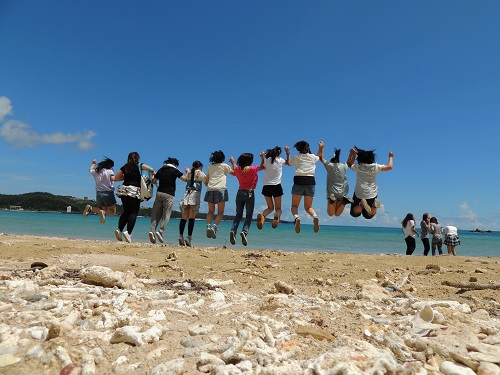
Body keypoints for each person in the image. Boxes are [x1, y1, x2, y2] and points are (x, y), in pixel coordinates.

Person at [114, 152, 155, 243]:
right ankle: (128, 233)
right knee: (133, 212)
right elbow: (151, 169)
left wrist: (125, 178)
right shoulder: (140, 165)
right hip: (134, 191)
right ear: (138, 158)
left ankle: (119, 230)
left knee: (126, 211)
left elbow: (116, 178)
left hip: (124, 190)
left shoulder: (125, 167)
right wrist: (153, 174)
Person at [347, 147, 394, 219]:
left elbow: (350, 164)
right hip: (371, 194)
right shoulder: (375, 167)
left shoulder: (358, 167)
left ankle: (361, 205)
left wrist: (352, 154)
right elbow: (390, 167)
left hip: (359, 193)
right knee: (368, 216)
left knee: (354, 213)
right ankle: (374, 206)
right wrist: (391, 157)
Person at [148, 157, 187, 245]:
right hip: (169, 194)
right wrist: (187, 172)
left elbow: (153, 181)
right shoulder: (175, 170)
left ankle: (153, 231)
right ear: (175, 164)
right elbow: (185, 179)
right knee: (167, 214)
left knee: (155, 213)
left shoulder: (161, 169)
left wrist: (154, 175)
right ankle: (161, 231)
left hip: (159, 193)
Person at [228, 152, 264, 246]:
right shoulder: (253, 169)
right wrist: (262, 158)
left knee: (238, 215)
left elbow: (235, 169)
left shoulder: (238, 169)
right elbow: (262, 167)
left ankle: (233, 230)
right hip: (250, 193)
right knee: (248, 216)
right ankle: (244, 232)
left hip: (239, 192)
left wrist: (232, 162)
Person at [285, 140, 320, 233]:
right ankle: (315, 217)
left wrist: (287, 153)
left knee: (294, 206)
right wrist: (321, 147)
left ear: (298, 149)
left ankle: (296, 218)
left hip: (299, 181)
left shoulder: (297, 157)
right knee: (308, 207)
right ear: (308, 148)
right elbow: (319, 156)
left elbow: (288, 163)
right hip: (310, 181)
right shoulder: (313, 157)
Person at [317, 141, 353, 217]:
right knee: (337, 214)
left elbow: (321, 158)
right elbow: (349, 162)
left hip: (332, 192)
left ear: (331, 161)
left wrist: (322, 147)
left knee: (330, 214)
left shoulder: (329, 166)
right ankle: (343, 202)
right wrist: (351, 153)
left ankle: (332, 201)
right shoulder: (343, 166)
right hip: (342, 193)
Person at [204, 150, 233, 239]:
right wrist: (233, 163)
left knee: (210, 211)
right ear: (223, 158)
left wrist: (209, 186)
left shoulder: (209, 167)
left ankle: (208, 226)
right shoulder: (225, 166)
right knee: (220, 212)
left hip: (210, 189)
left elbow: (206, 180)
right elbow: (235, 173)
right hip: (220, 189)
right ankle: (214, 227)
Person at [255, 146, 286, 229]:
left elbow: (262, 167)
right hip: (277, 186)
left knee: (270, 208)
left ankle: (262, 217)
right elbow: (289, 163)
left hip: (267, 187)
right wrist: (288, 153)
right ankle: (277, 215)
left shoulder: (266, 161)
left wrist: (262, 158)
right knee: (278, 208)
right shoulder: (280, 160)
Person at [178, 161, 206, 247]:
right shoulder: (201, 173)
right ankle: (189, 237)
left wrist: (187, 172)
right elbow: (206, 182)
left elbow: (187, 178)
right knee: (192, 216)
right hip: (195, 194)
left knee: (184, 215)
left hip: (187, 193)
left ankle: (180, 236)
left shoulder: (190, 173)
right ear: (200, 166)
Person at [83, 157, 117, 223]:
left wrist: (93, 164)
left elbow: (90, 170)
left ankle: (91, 208)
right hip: (108, 193)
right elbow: (113, 179)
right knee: (112, 211)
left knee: (102, 209)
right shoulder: (109, 171)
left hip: (98, 194)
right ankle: (103, 213)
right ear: (110, 166)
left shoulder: (96, 171)